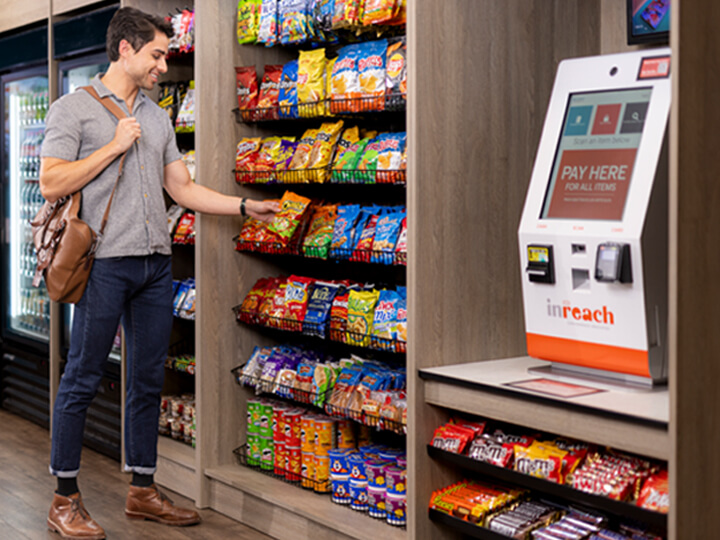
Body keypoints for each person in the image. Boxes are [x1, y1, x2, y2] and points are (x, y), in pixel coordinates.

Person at [39, 8, 278, 539]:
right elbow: (51, 183)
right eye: (156, 54)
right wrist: (113, 147)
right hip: (102, 264)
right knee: (81, 378)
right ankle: (64, 498)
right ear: (125, 50)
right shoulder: (72, 110)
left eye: (165, 55)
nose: (163, 65)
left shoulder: (157, 115)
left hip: (154, 265)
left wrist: (243, 207)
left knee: (147, 378)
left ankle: (142, 490)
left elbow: (182, 190)